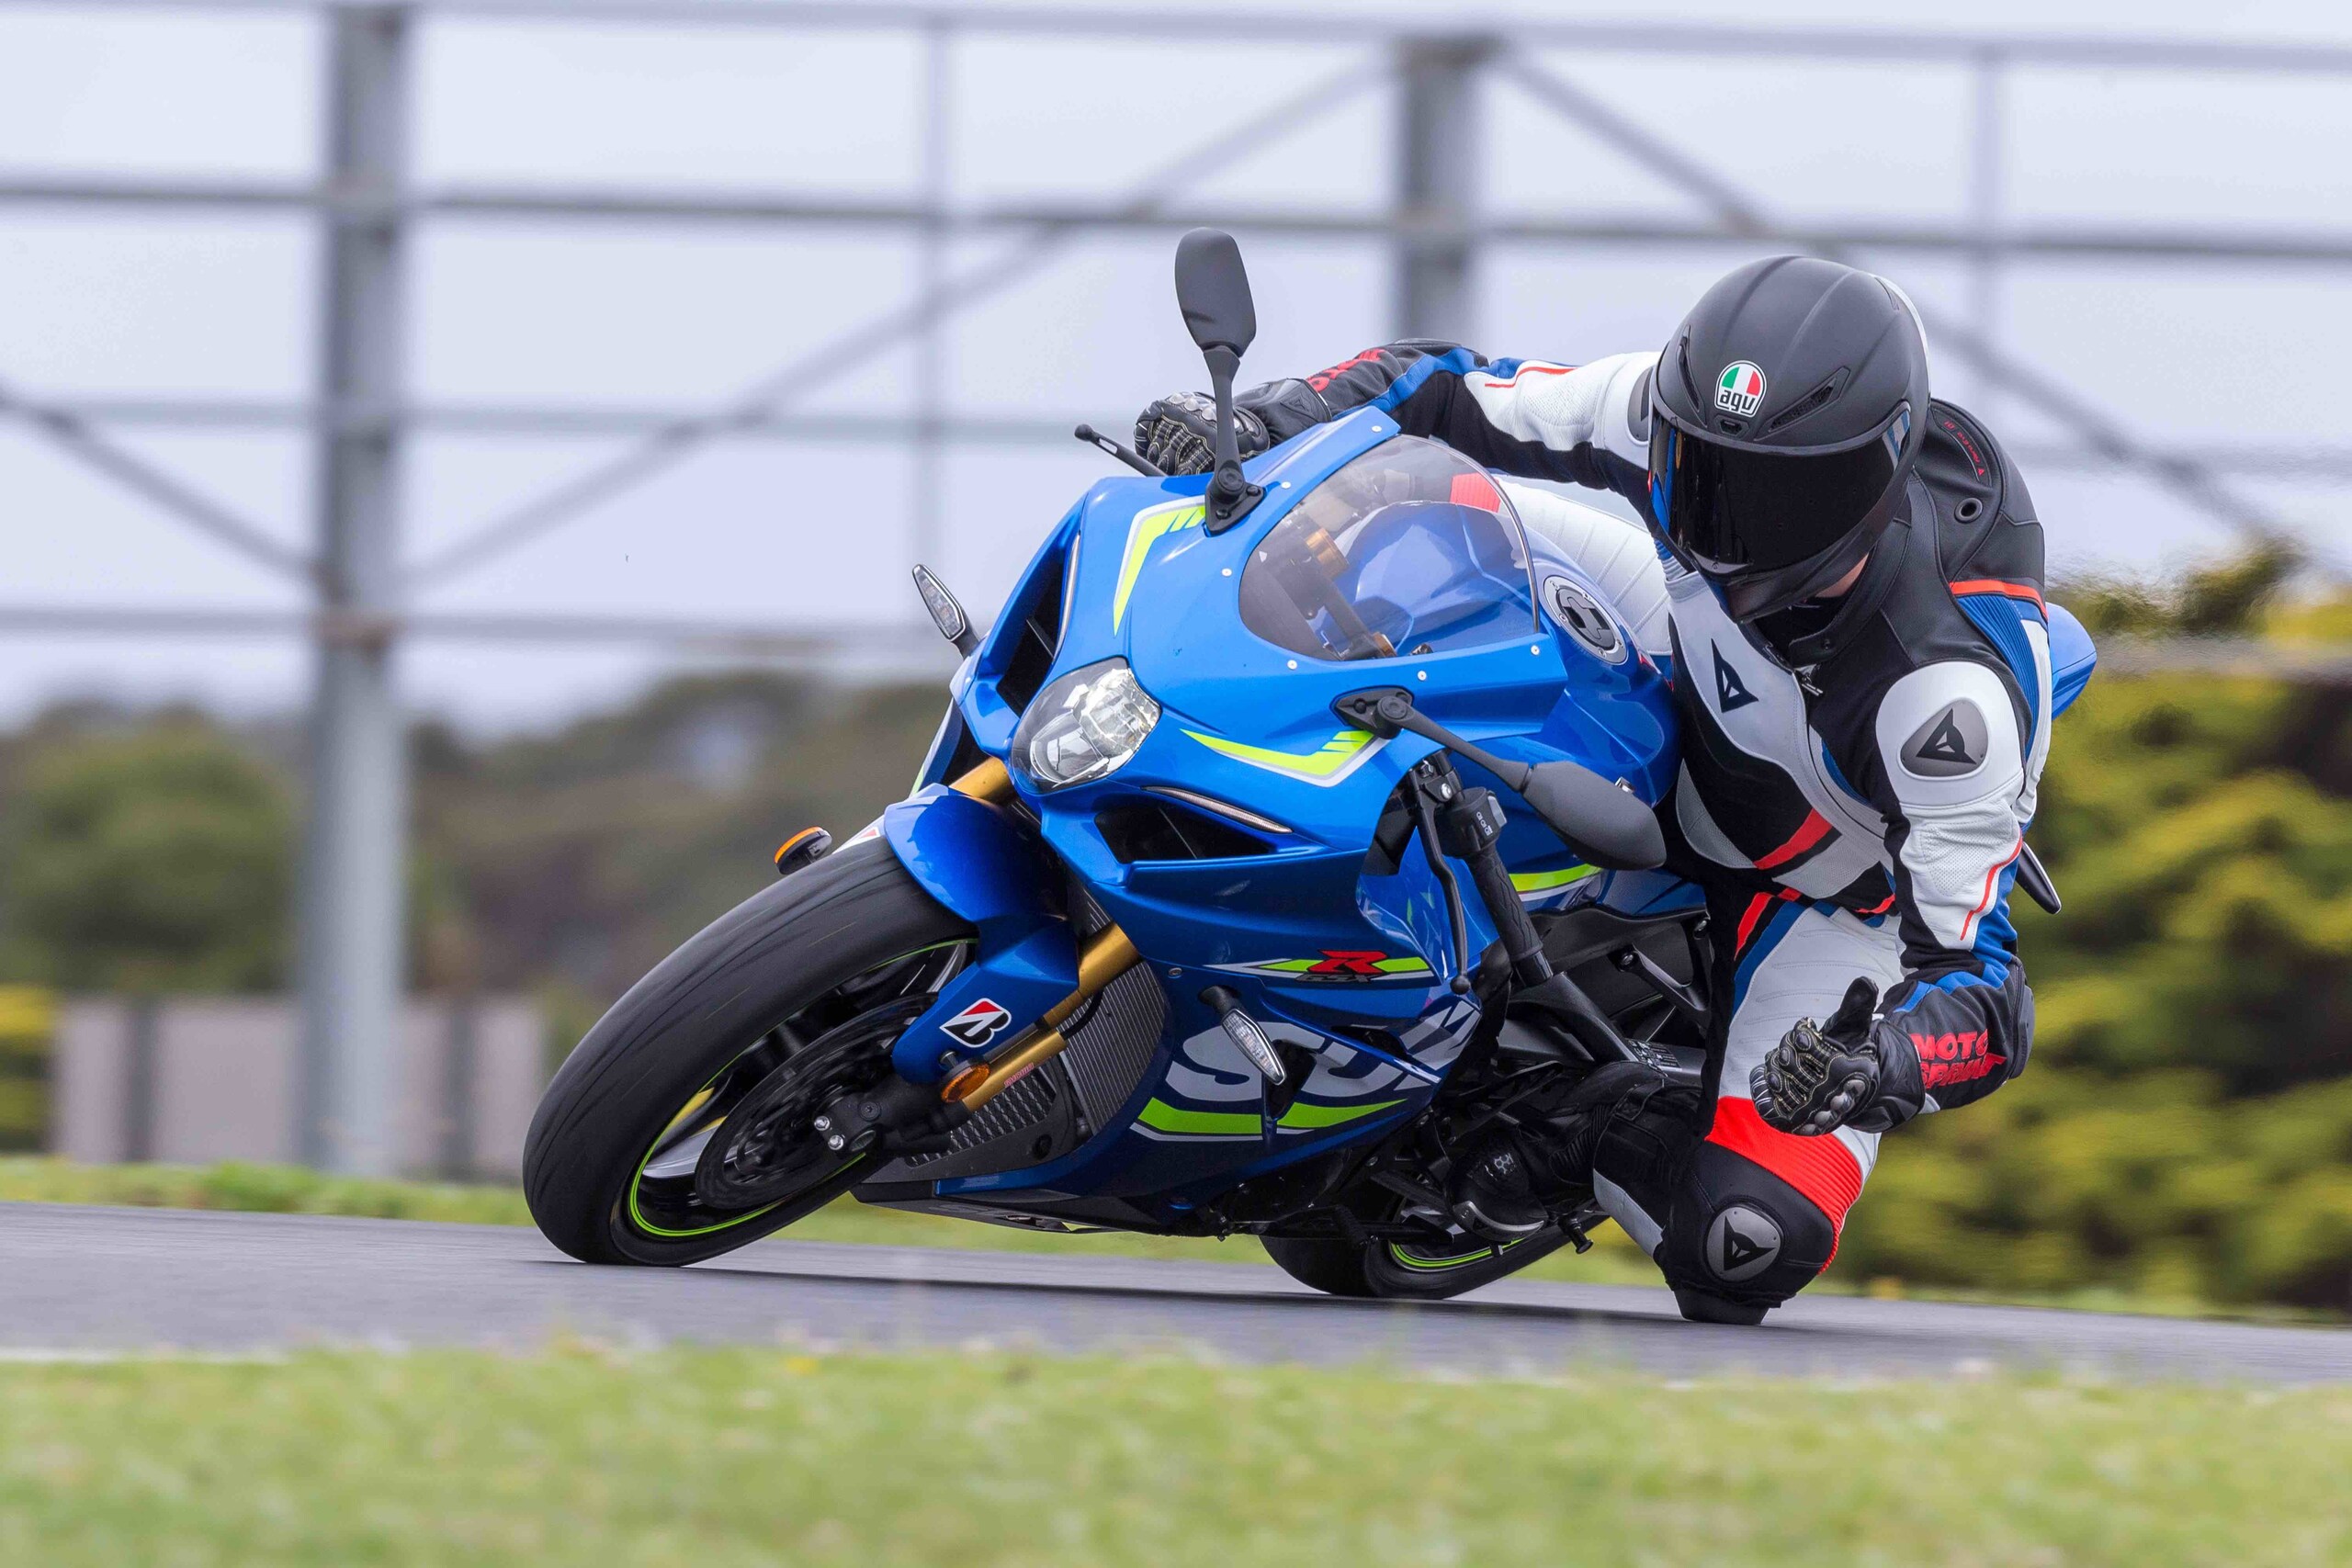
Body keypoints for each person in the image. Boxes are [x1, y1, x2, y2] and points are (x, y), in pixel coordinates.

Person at [1136, 255, 2052, 1324]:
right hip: (1673, 640)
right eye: (1698, 467)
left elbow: (1987, 1000)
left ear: (1869, 483)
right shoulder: (1676, 419)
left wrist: (1878, 1059)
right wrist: (1273, 416)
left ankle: (1582, 1115)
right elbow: (1444, 385)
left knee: (1743, 1248)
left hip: (1822, 886)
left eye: (1771, 499)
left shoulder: (1946, 698)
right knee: (1387, 528)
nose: (1721, 523)